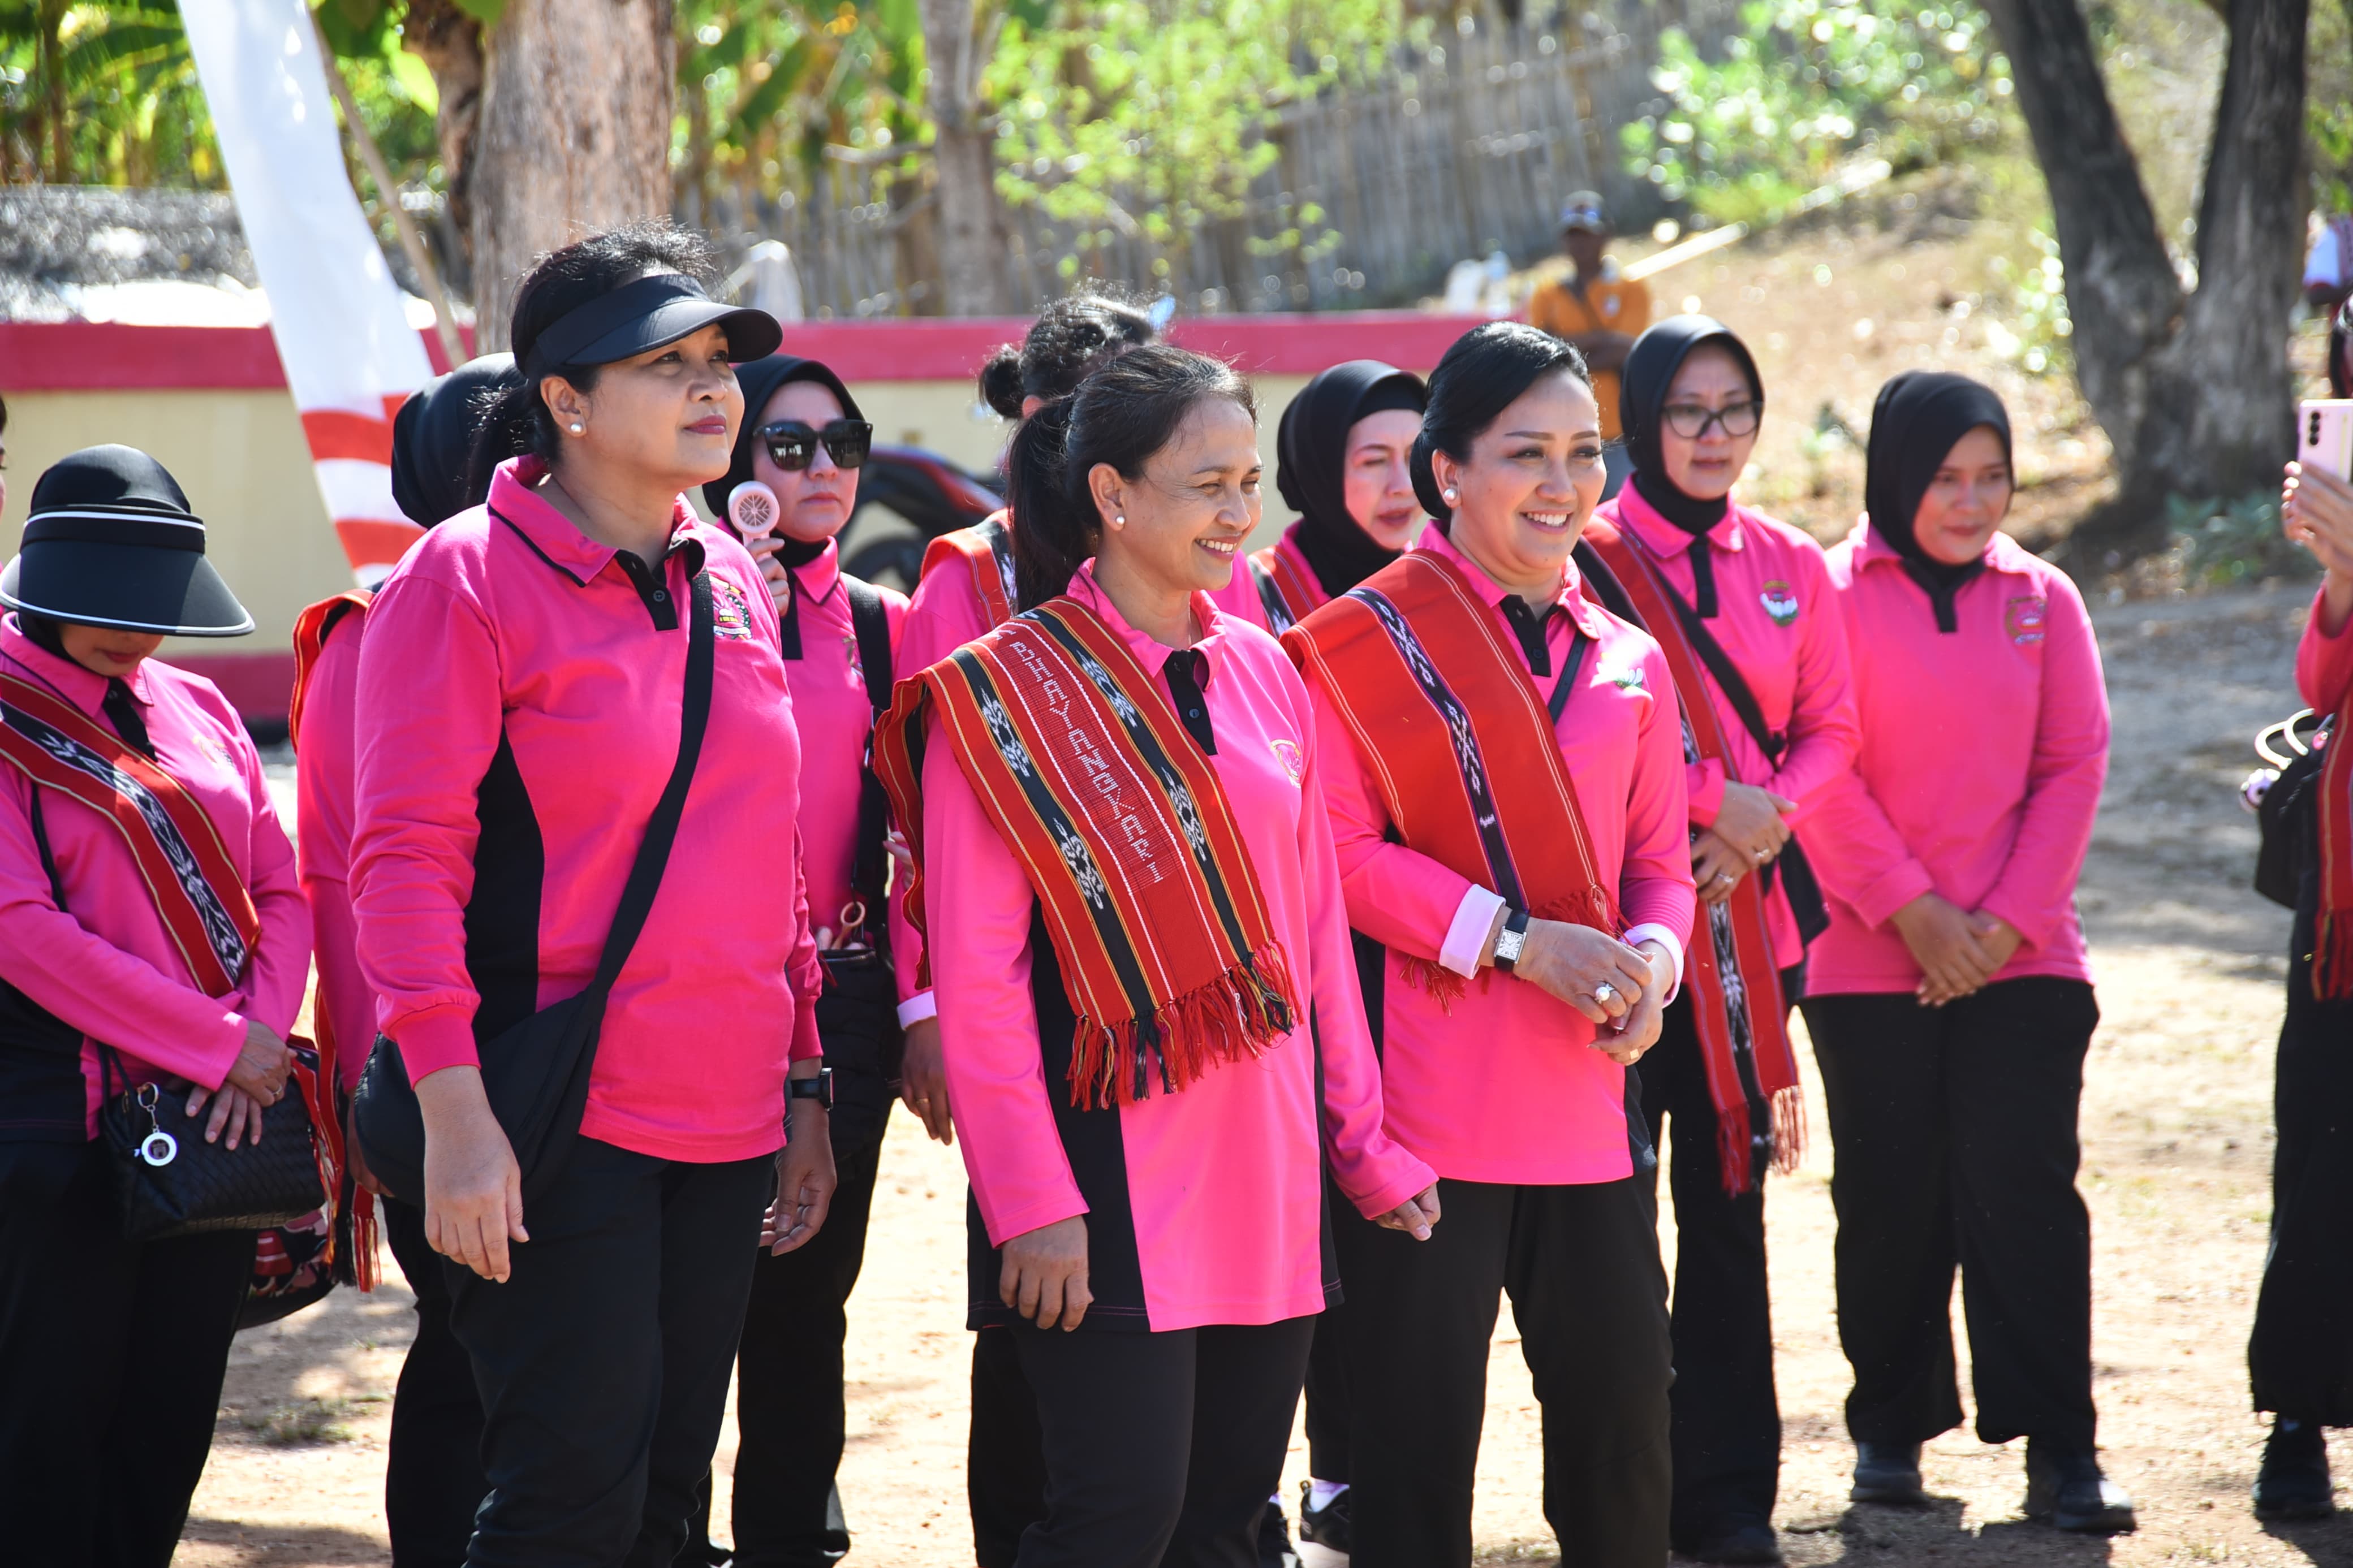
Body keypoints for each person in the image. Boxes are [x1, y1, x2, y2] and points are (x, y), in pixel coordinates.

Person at [875, 343, 1440, 1567]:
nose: (1240, 514)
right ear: (1114, 496)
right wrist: (1029, 1203)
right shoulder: (1003, 698)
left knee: (1228, 1520)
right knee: (1113, 1519)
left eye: (1250, 482)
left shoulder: (1264, 671)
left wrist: (1361, 1137)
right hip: (1101, 1169)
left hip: (1267, 1157)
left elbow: (1311, 942)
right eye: (1207, 484)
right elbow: (979, 987)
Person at [347, 222, 834, 1566]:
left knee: (673, 1495)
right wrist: (454, 1115)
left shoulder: (733, 573)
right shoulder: (463, 575)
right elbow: (403, 859)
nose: (714, 390)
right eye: (664, 363)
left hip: (729, 1114)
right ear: (564, 400)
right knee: (569, 1496)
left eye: (719, 360)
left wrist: (802, 1084)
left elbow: (766, 853)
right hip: (556, 1110)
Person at [1286, 321, 1692, 1568]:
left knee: (1625, 1452)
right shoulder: (1354, 645)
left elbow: (1661, 868)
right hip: (1426, 1120)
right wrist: (1522, 944)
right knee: (1413, 1473)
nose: (1564, 484)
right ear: (1446, 471)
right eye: (1526, 452)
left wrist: (1655, 966)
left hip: (1588, 1108)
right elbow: (1337, 860)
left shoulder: (1627, 656)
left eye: (1584, 453)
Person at [1799, 372, 2129, 1534]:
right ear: (1897, 475)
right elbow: (1816, 765)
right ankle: (1889, 1431)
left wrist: (1995, 925)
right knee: (1889, 1199)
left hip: (2023, 954)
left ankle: (2061, 1448)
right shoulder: (1825, 596)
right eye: (1946, 477)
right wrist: (1912, 912)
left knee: (2026, 1194)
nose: (1972, 500)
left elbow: (2072, 763)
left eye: (1991, 477)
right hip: (1863, 954)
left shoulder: (2043, 595)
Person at [1581, 316, 1859, 1565]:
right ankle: (1622, 1496)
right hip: (1621, 933)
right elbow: (1585, 725)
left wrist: (1761, 823)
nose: (1712, 434)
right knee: (1614, 1218)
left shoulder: (1793, 557)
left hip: (1753, 930)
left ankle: (1733, 1492)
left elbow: (1833, 729)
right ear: (1641, 420)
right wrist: (1708, 802)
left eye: (1735, 408)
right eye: (1687, 410)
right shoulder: (1581, 556)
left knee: (1729, 1206)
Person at [0, 445, 308, 1565]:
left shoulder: (196, 703)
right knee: (42, 1430)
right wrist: (225, 1043)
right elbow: (21, 930)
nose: (138, 632)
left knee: (169, 1423)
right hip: (57, 1131)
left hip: (215, 1124)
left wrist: (260, 1043)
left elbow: (280, 883)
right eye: (106, 608)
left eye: (155, 607)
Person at [898, 288, 1160, 1568]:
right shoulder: (970, 574)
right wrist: (927, 1005)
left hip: (1170, 967)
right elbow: (926, 812)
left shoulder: (1207, 572)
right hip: (1032, 976)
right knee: (1032, 1291)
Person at [679, 352, 915, 1568]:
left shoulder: (881, 623)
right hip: (700, 995)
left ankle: (786, 1530)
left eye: (843, 440)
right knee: (680, 1291)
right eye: (790, 444)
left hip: (850, 993)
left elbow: (915, 834)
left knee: (807, 1288)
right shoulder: (673, 603)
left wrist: (913, 1006)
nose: (822, 467)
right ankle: (661, 1532)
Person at [293, 352, 519, 1566]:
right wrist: (426, 1086)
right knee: (472, 1355)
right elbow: (360, 879)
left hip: (455, 1048)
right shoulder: (384, 633)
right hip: (440, 1060)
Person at [2251, 433, 2353, 1517]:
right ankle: (2298, 1410)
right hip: (2345, 915)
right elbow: (2325, 687)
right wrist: (2340, 576)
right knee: (2320, 1163)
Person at [1244, 357, 1427, 636]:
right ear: (1319, 473)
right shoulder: (1247, 599)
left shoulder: (1442, 589)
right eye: (1374, 461)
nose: (1403, 485)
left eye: (1415, 456)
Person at [1524, 192, 1650, 499]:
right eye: (1572, 235)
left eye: (1587, 234)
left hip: (1618, 429)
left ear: (1606, 235)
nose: (1579, 243)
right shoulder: (1546, 293)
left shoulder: (1631, 287)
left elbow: (1626, 349)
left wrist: (1563, 346)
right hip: (1560, 433)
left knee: (1621, 517)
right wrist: (1602, 338)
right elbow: (1536, 356)